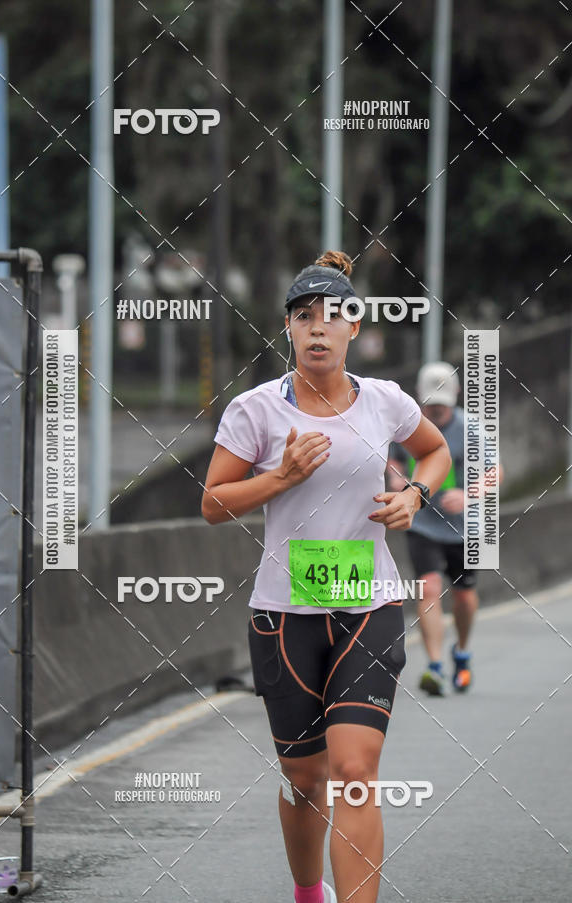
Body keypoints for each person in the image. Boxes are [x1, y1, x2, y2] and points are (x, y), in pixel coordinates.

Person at [201, 251, 451, 903]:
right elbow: (212, 504)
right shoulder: (255, 411)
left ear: (354, 328)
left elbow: (436, 451)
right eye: (304, 316)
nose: (318, 328)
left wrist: (415, 497)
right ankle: (309, 891)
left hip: (368, 604)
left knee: (355, 771)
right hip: (284, 613)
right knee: (305, 779)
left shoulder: (385, 403)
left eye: (332, 317)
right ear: (287, 328)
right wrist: (280, 477)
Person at [386, 362, 503, 696]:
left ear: (455, 399)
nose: (436, 410)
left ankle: (461, 652)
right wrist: (395, 476)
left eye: (443, 404)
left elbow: (495, 472)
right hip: (422, 523)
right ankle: (434, 666)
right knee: (429, 587)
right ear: (421, 400)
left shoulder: (472, 429)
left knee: (464, 595)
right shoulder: (409, 425)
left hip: (465, 528)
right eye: (431, 404)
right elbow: (393, 457)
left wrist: (469, 495)